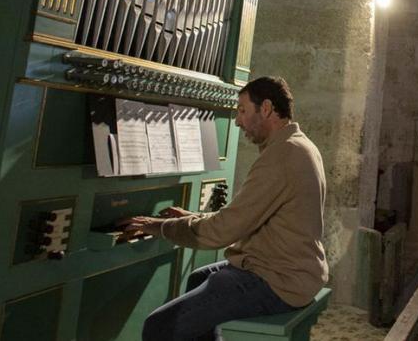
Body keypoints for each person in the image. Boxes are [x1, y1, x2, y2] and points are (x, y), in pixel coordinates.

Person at [124, 77, 327, 341]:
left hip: (279, 281)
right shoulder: (298, 145)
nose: (237, 121)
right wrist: (193, 218)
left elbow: (223, 231)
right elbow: (243, 216)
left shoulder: (282, 155)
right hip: (291, 270)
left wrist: (159, 226)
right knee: (199, 279)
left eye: (242, 110)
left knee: (158, 327)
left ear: (266, 108)